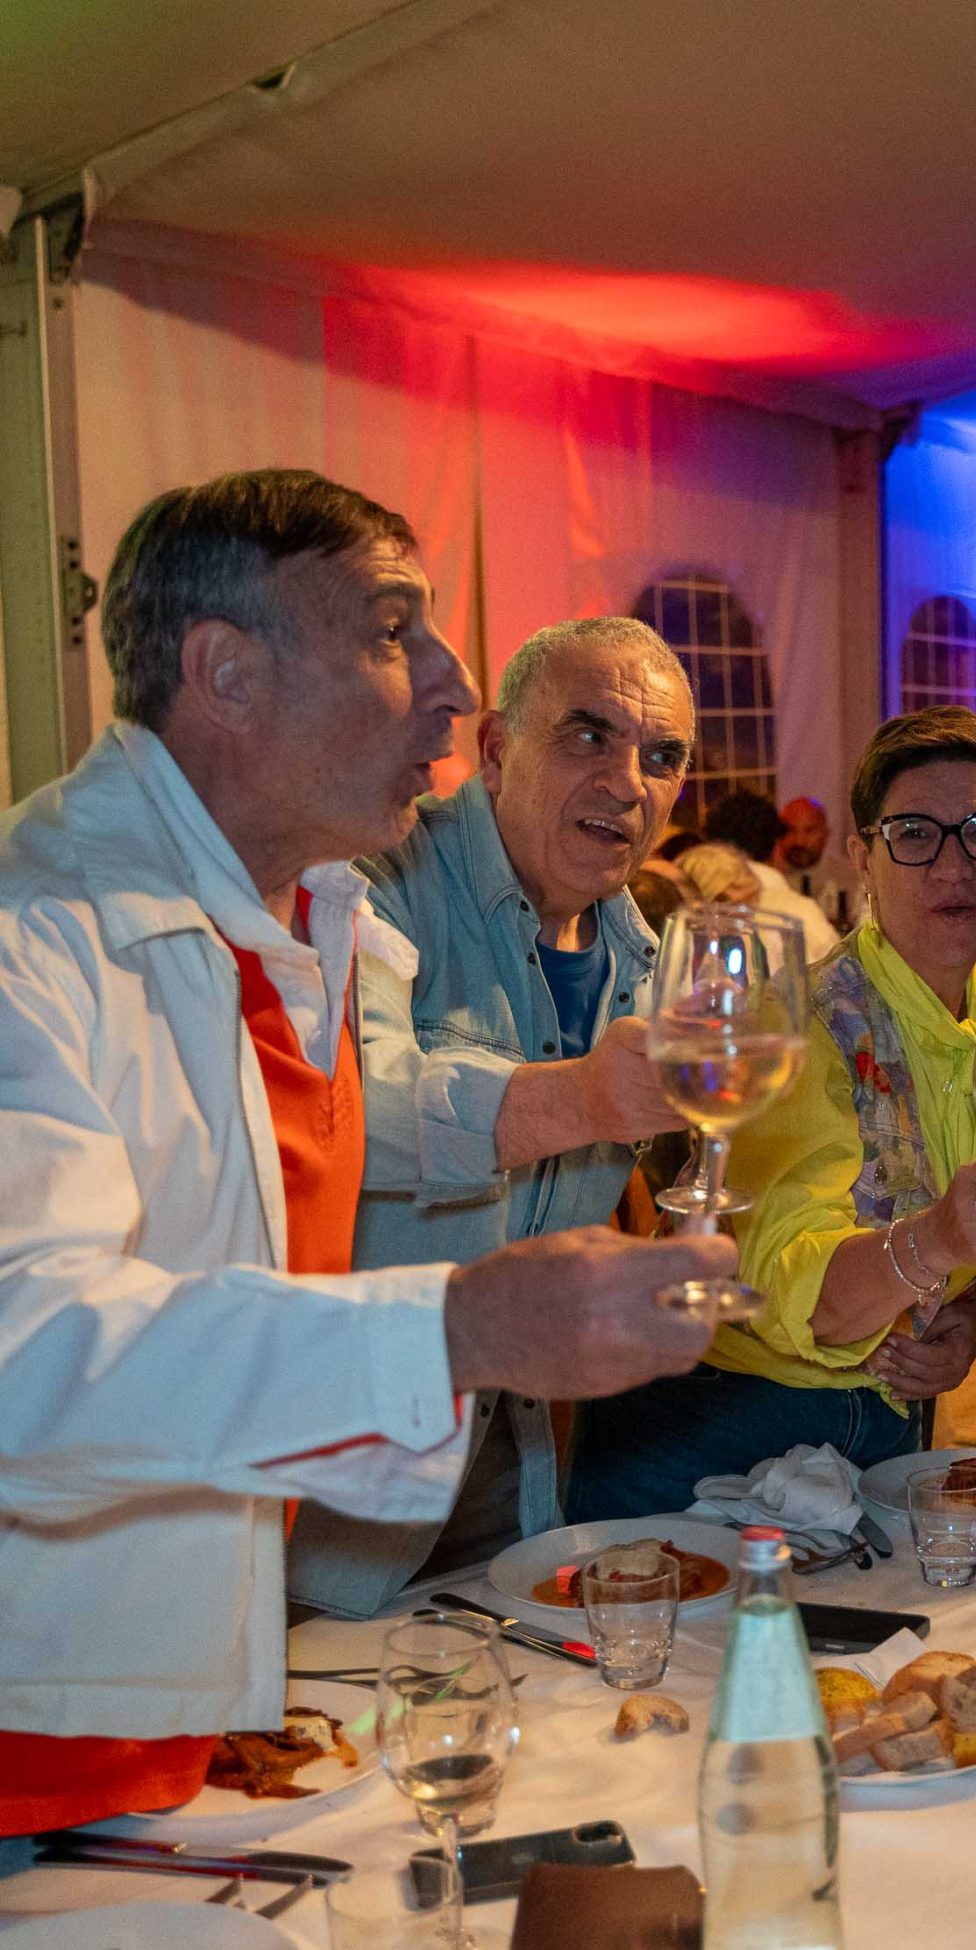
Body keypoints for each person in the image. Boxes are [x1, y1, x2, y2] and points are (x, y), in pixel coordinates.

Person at [0, 469, 728, 1835]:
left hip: (192, 1697)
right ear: (226, 674)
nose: (454, 686)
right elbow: (22, 1357)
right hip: (38, 1740)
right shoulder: (32, 936)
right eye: (396, 631)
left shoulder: (317, 918)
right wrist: (457, 1330)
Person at [289, 617, 699, 1617]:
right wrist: (582, 1097)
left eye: (661, 757)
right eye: (589, 735)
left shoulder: (646, 959)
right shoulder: (373, 875)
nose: (628, 783)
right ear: (499, 748)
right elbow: (353, 1109)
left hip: (510, 1491)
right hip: (331, 1507)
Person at [569, 709, 976, 1516]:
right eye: (914, 834)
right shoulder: (798, 1024)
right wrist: (939, 1239)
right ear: (863, 858)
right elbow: (800, 1299)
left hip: (885, 1426)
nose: (953, 866)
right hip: (717, 1425)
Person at [702, 788, 839, 960]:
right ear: (775, 844)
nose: (799, 840)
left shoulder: (694, 906)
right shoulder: (801, 913)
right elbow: (840, 970)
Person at [777, 794, 860, 930]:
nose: (799, 841)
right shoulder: (769, 880)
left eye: (809, 831)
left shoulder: (851, 879)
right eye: (791, 830)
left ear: (825, 833)